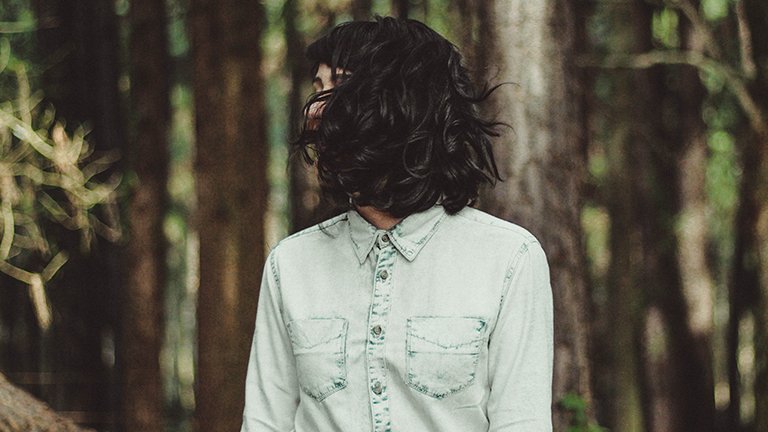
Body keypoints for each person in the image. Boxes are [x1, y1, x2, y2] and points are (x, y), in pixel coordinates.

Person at [241, 16, 553, 432]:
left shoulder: (509, 259)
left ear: (405, 102)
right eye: (317, 89)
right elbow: (265, 424)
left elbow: (522, 424)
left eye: (339, 85)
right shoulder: (291, 264)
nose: (316, 111)